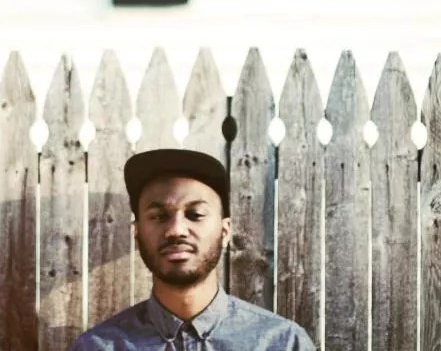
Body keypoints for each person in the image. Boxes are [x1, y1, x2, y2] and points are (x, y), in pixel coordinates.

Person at [69, 148, 316, 350]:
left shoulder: (282, 343)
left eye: (195, 214)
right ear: (137, 232)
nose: (176, 230)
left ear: (225, 232)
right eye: (159, 216)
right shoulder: (98, 347)